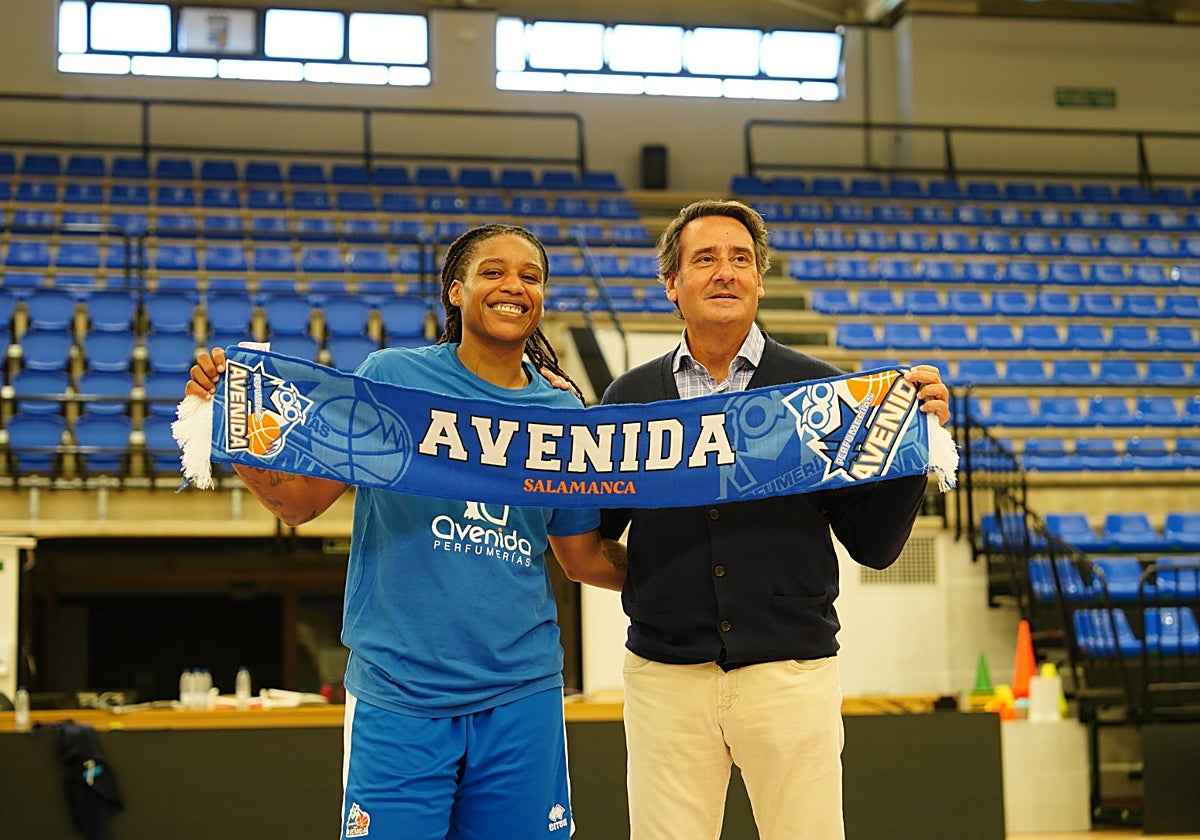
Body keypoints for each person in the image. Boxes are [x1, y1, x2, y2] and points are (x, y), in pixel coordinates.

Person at [186, 224, 626, 840]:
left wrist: (675, 578)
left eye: (531, 276)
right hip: (399, 694)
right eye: (493, 271)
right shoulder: (392, 378)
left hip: (521, 693)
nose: (514, 286)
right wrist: (233, 427)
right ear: (455, 291)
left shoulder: (561, 414)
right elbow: (302, 504)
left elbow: (581, 559)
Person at [598, 199, 951, 840]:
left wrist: (910, 451)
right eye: (704, 259)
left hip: (791, 673)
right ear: (672, 284)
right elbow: (593, 533)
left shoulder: (819, 389)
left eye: (741, 259)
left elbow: (872, 545)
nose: (725, 272)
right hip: (664, 678)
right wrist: (652, 587)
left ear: (760, 280)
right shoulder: (629, 398)